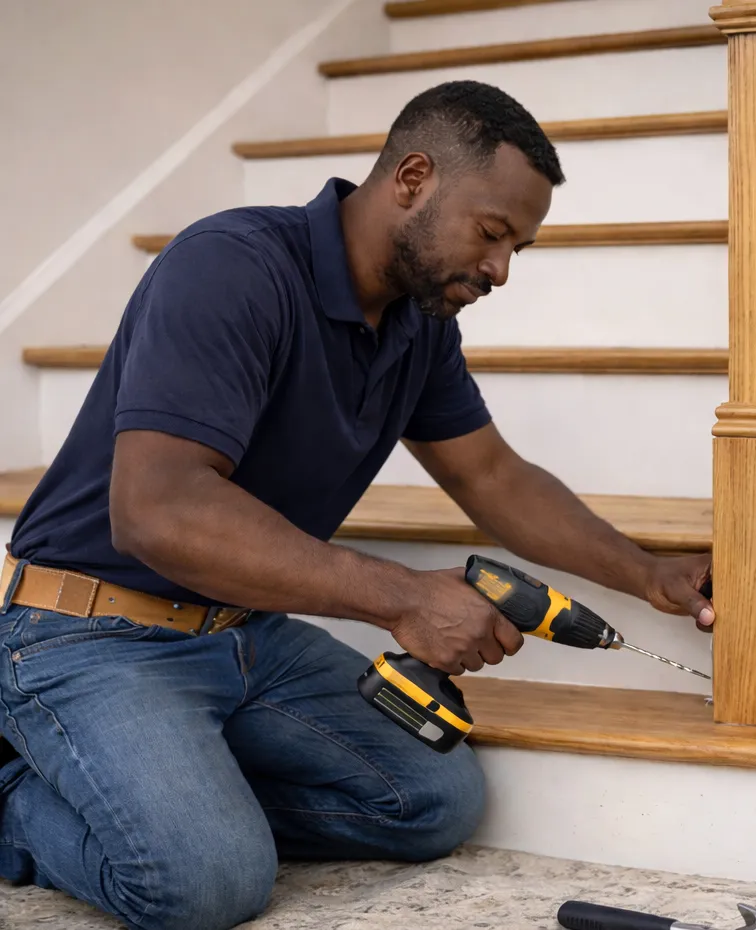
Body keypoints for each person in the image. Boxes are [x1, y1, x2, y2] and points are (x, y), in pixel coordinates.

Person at [0, 80, 714, 930]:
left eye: (518, 248)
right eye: (492, 235)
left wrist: (649, 574)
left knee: (431, 800)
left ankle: (174, 796)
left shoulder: (418, 324)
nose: (499, 271)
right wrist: (404, 596)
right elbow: (159, 511)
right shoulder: (232, 267)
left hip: (241, 629)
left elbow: (492, 476)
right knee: (206, 885)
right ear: (412, 177)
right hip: (89, 633)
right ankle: (19, 791)